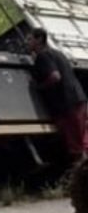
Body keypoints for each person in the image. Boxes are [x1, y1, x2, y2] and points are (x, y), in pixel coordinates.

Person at [28, 28, 88, 163]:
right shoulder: (58, 53)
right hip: (79, 100)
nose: (28, 43)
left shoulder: (43, 56)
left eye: (30, 39)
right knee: (83, 143)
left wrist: (39, 87)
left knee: (76, 147)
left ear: (39, 39)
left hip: (67, 105)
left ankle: (81, 178)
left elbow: (55, 77)